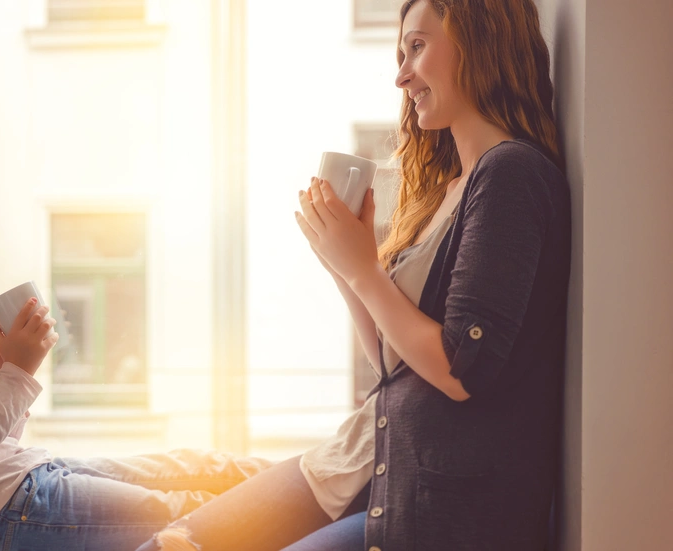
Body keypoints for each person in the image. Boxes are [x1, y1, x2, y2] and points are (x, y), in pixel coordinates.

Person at [136, 0, 570, 549]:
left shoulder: (512, 175)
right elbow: (393, 361)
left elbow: (463, 371)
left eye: (417, 46)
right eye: (400, 52)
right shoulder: (454, 188)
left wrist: (364, 270)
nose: (401, 74)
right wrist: (342, 264)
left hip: (439, 508)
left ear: (478, 40)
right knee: (176, 540)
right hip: (375, 460)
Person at [0, 190, 272, 551]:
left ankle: (324, 481)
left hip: (24, 488)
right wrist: (19, 373)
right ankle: (319, 509)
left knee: (194, 466)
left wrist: (4, 370)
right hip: (2, 518)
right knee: (190, 511)